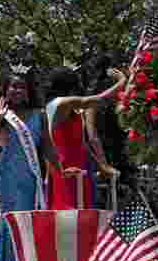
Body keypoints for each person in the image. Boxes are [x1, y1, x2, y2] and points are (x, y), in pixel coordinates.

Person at [0, 68, 63, 261]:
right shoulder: (3, 114)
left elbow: (47, 146)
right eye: (12, 86)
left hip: (31, 177)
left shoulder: (40, 114)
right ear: (5, 91)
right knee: (12, 226)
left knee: (26, 228)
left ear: (28, 91)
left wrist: (61, 170)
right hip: (8, 176)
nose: (16, 90)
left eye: (21, 87)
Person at [44, 66, 126, 210]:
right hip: (64, 169)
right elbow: (98, 100)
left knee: (84, 214)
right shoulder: (59, 104)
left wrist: (101, 166)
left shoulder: (72, 111)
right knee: (67, 215)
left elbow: (82, 144)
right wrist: (121, 82)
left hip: (81, 169)